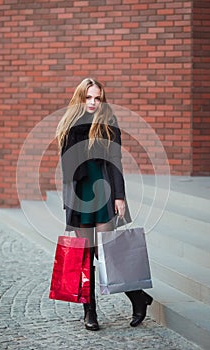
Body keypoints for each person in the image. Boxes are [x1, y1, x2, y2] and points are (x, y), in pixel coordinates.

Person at [56, 78, 153, 331]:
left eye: (97, 98)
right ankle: (90, 313)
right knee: (85, 256)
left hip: (105, 194)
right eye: (88, 97)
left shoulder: (108, 125)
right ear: (80, 98)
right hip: (80, 196)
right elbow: (67, 171)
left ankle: (137, 297)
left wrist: (120, 196)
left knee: (109, 251)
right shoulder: (69, 125)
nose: (93, 102)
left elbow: (115, 163)